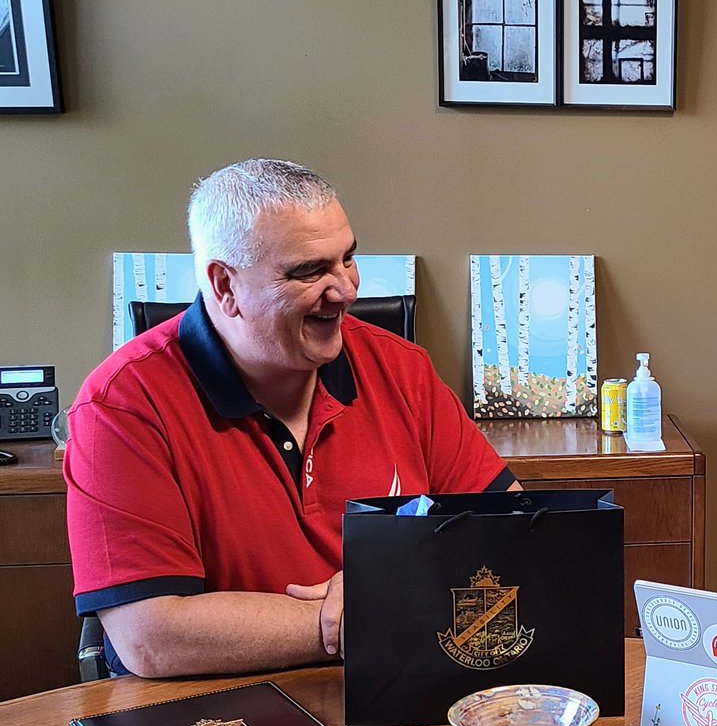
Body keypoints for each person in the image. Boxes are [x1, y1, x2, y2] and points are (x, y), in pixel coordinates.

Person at [67, 158, 517, 678]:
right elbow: (152, 638)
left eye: (347, 258)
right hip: (214, 712)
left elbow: (512, 529)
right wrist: (374, 610)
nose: (347, 290)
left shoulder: (401, 368)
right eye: (309, 271)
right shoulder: (120, 407)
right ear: (225, 286)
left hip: (398, 679)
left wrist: (387, 601)